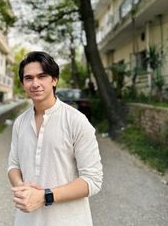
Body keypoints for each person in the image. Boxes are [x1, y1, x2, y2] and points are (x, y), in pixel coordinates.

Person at [7, 51, 103, 226]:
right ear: (23, 84)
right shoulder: (20, 123)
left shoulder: (76, 121)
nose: (35, 83)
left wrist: (44, 196)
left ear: (54, 80)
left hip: (69, 221)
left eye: (42, 76)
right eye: (29, 78)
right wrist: (23, 188)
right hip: (27, 221)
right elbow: (13, 165)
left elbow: (93, 181)